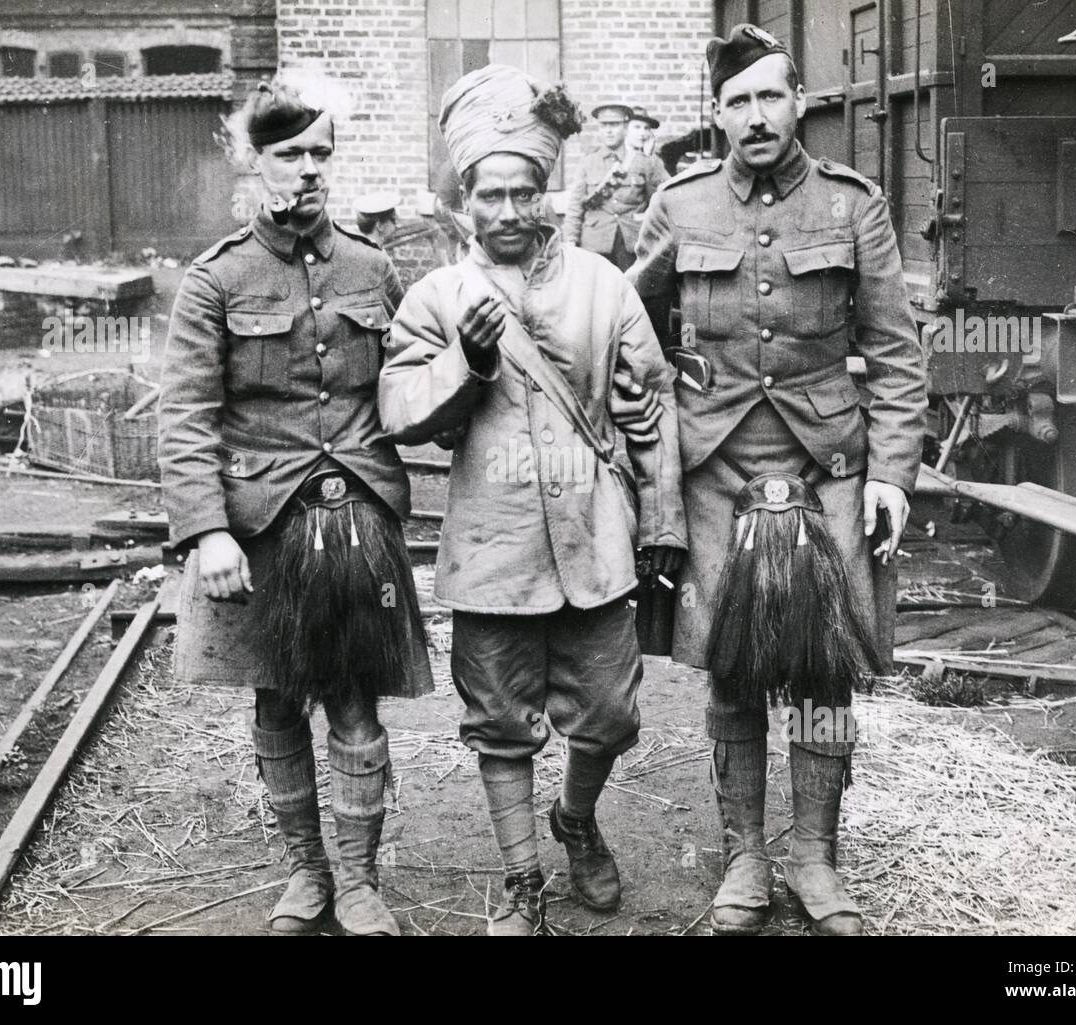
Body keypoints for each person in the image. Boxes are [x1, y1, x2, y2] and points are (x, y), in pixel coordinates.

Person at [628, 25, 927, 936]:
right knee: (730, 671)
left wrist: (892, 474)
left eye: (769, 97)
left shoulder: (852, 206)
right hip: (715, 471)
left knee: (824, 673)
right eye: (736, 102)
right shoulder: (678, 208)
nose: (754, 118)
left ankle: (816, 859)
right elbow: (628, 339)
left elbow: (897, 353)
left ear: (798, 100)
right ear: (714, 114)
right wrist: (651, 463)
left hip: (826, 466)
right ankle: (745, 857)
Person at [378, 64, 688, 936]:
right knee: (500, 724)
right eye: (490, 196)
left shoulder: (602, 284)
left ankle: (577, 820)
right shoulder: (439, 296)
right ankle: (522, 881)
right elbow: (398, 412)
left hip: (596, 544)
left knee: (611, 714)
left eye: (524, 193)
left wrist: (660, 523)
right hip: (493, 552)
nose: (509, 212)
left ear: (547, 193)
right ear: (463, 201)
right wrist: (464, 364)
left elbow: (649, 404)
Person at [159, 76, 433, 937]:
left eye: (321, 153)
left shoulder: (373, 266)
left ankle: (357, 882)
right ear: (253, 162)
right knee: (277, 700)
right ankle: (305, 873)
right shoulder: (217, 280)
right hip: (260, 524)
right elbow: (187, 414)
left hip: (356, 518)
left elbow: (416, 381)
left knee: (354, 700)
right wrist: (206, 530)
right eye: (289, 155)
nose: (308, 171)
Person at [562, 101, 670, 270]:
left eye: (615, 125)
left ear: (625, 128)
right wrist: (570, 240)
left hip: (632, 244)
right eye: (604, 125)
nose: (609, 130)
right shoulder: (588, 162)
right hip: (595, 243)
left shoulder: (644, 162)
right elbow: (575, 207)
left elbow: (660, 202)